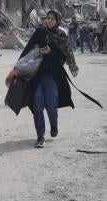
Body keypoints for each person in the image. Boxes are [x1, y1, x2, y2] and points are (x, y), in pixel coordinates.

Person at [17, 10, 79, 148]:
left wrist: (51, 52)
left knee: (51, 103)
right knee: (37, 104)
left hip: (53, 75)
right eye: (47, 18)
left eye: (52, 18)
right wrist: (18, 66)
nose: (49, 20)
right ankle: (40, 136)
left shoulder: (61, 35)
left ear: (57, 20)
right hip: (36, 75)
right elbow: (27, 49)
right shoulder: (40, 32)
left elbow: (64, 57)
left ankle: (54, 123)